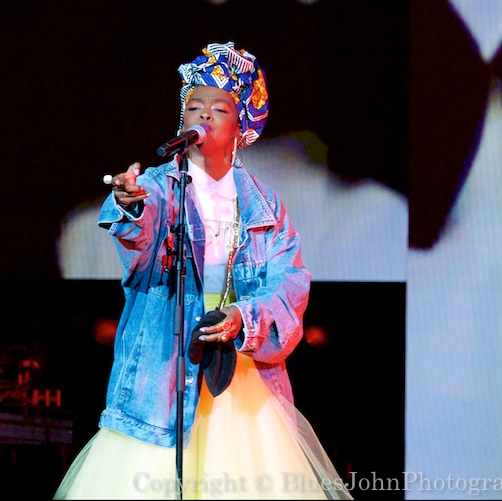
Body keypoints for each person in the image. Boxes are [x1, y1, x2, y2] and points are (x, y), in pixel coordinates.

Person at [54, 42, 349, 500]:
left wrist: (243, 318)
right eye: (194, 105)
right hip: (163, 380)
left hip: (240, 383)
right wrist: (129, 206)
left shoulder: (265, 205)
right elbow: (141, 237)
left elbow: (288, 286)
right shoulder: (158, 187)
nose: (203, 115)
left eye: (219, 107)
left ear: (242, 125)